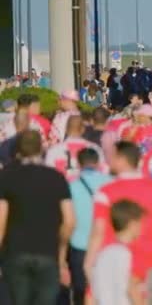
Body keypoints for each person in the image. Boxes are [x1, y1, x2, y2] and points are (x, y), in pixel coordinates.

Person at [85, 141, 152, 305]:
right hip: (148, 262)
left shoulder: (106, 191)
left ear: (121, 159)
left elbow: (99, 230)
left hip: (112, 259)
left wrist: (89, 263)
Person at [0, 130, 75, 305]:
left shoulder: (7, 177)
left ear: (18, 151)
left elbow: (1, 220)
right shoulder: (56, 177)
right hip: (48, 252)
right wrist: (62, 253)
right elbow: (69, 220)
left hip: (15, 252)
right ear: (41, 149)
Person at [67, 148, 113, 305]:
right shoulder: (111, 182)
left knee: (80, 291)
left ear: (79, 164)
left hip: (79, 244)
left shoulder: (72, 186)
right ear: (98, 163)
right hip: (106, 245)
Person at [91, 200, 146, 305]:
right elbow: (131, 289)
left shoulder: (102, 254)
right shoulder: (127, 254)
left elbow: (94, 293)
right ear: (133, 225)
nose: (142, 228)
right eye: (141, 223)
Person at [45, 115, 106, 182]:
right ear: (83, 129)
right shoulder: (95, 149)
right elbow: (102, 173)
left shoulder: (53, 150)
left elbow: (48, 176)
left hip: (60, 189)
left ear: (66, 129)